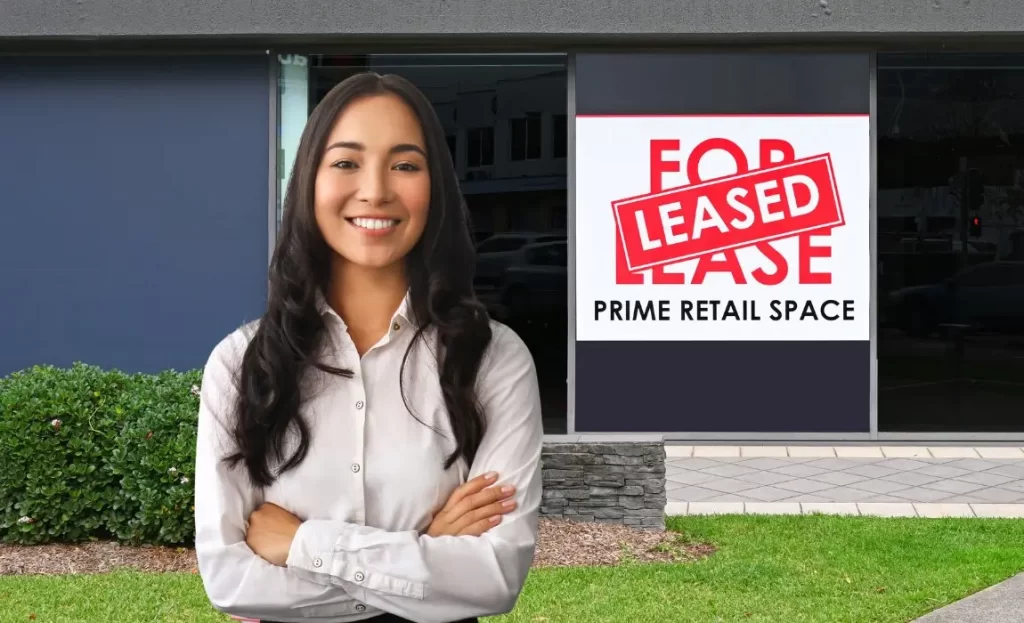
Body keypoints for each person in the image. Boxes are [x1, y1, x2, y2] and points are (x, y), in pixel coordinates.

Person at [193, 71, 544, 623]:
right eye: (346, 162)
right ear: (310, 181)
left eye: (405, 165)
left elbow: (493, 579)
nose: (376, 189)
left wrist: (303, 545)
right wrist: (424, 551)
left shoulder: (493, 359)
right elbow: (231, 581)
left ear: (437, 189)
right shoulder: (241, 364)